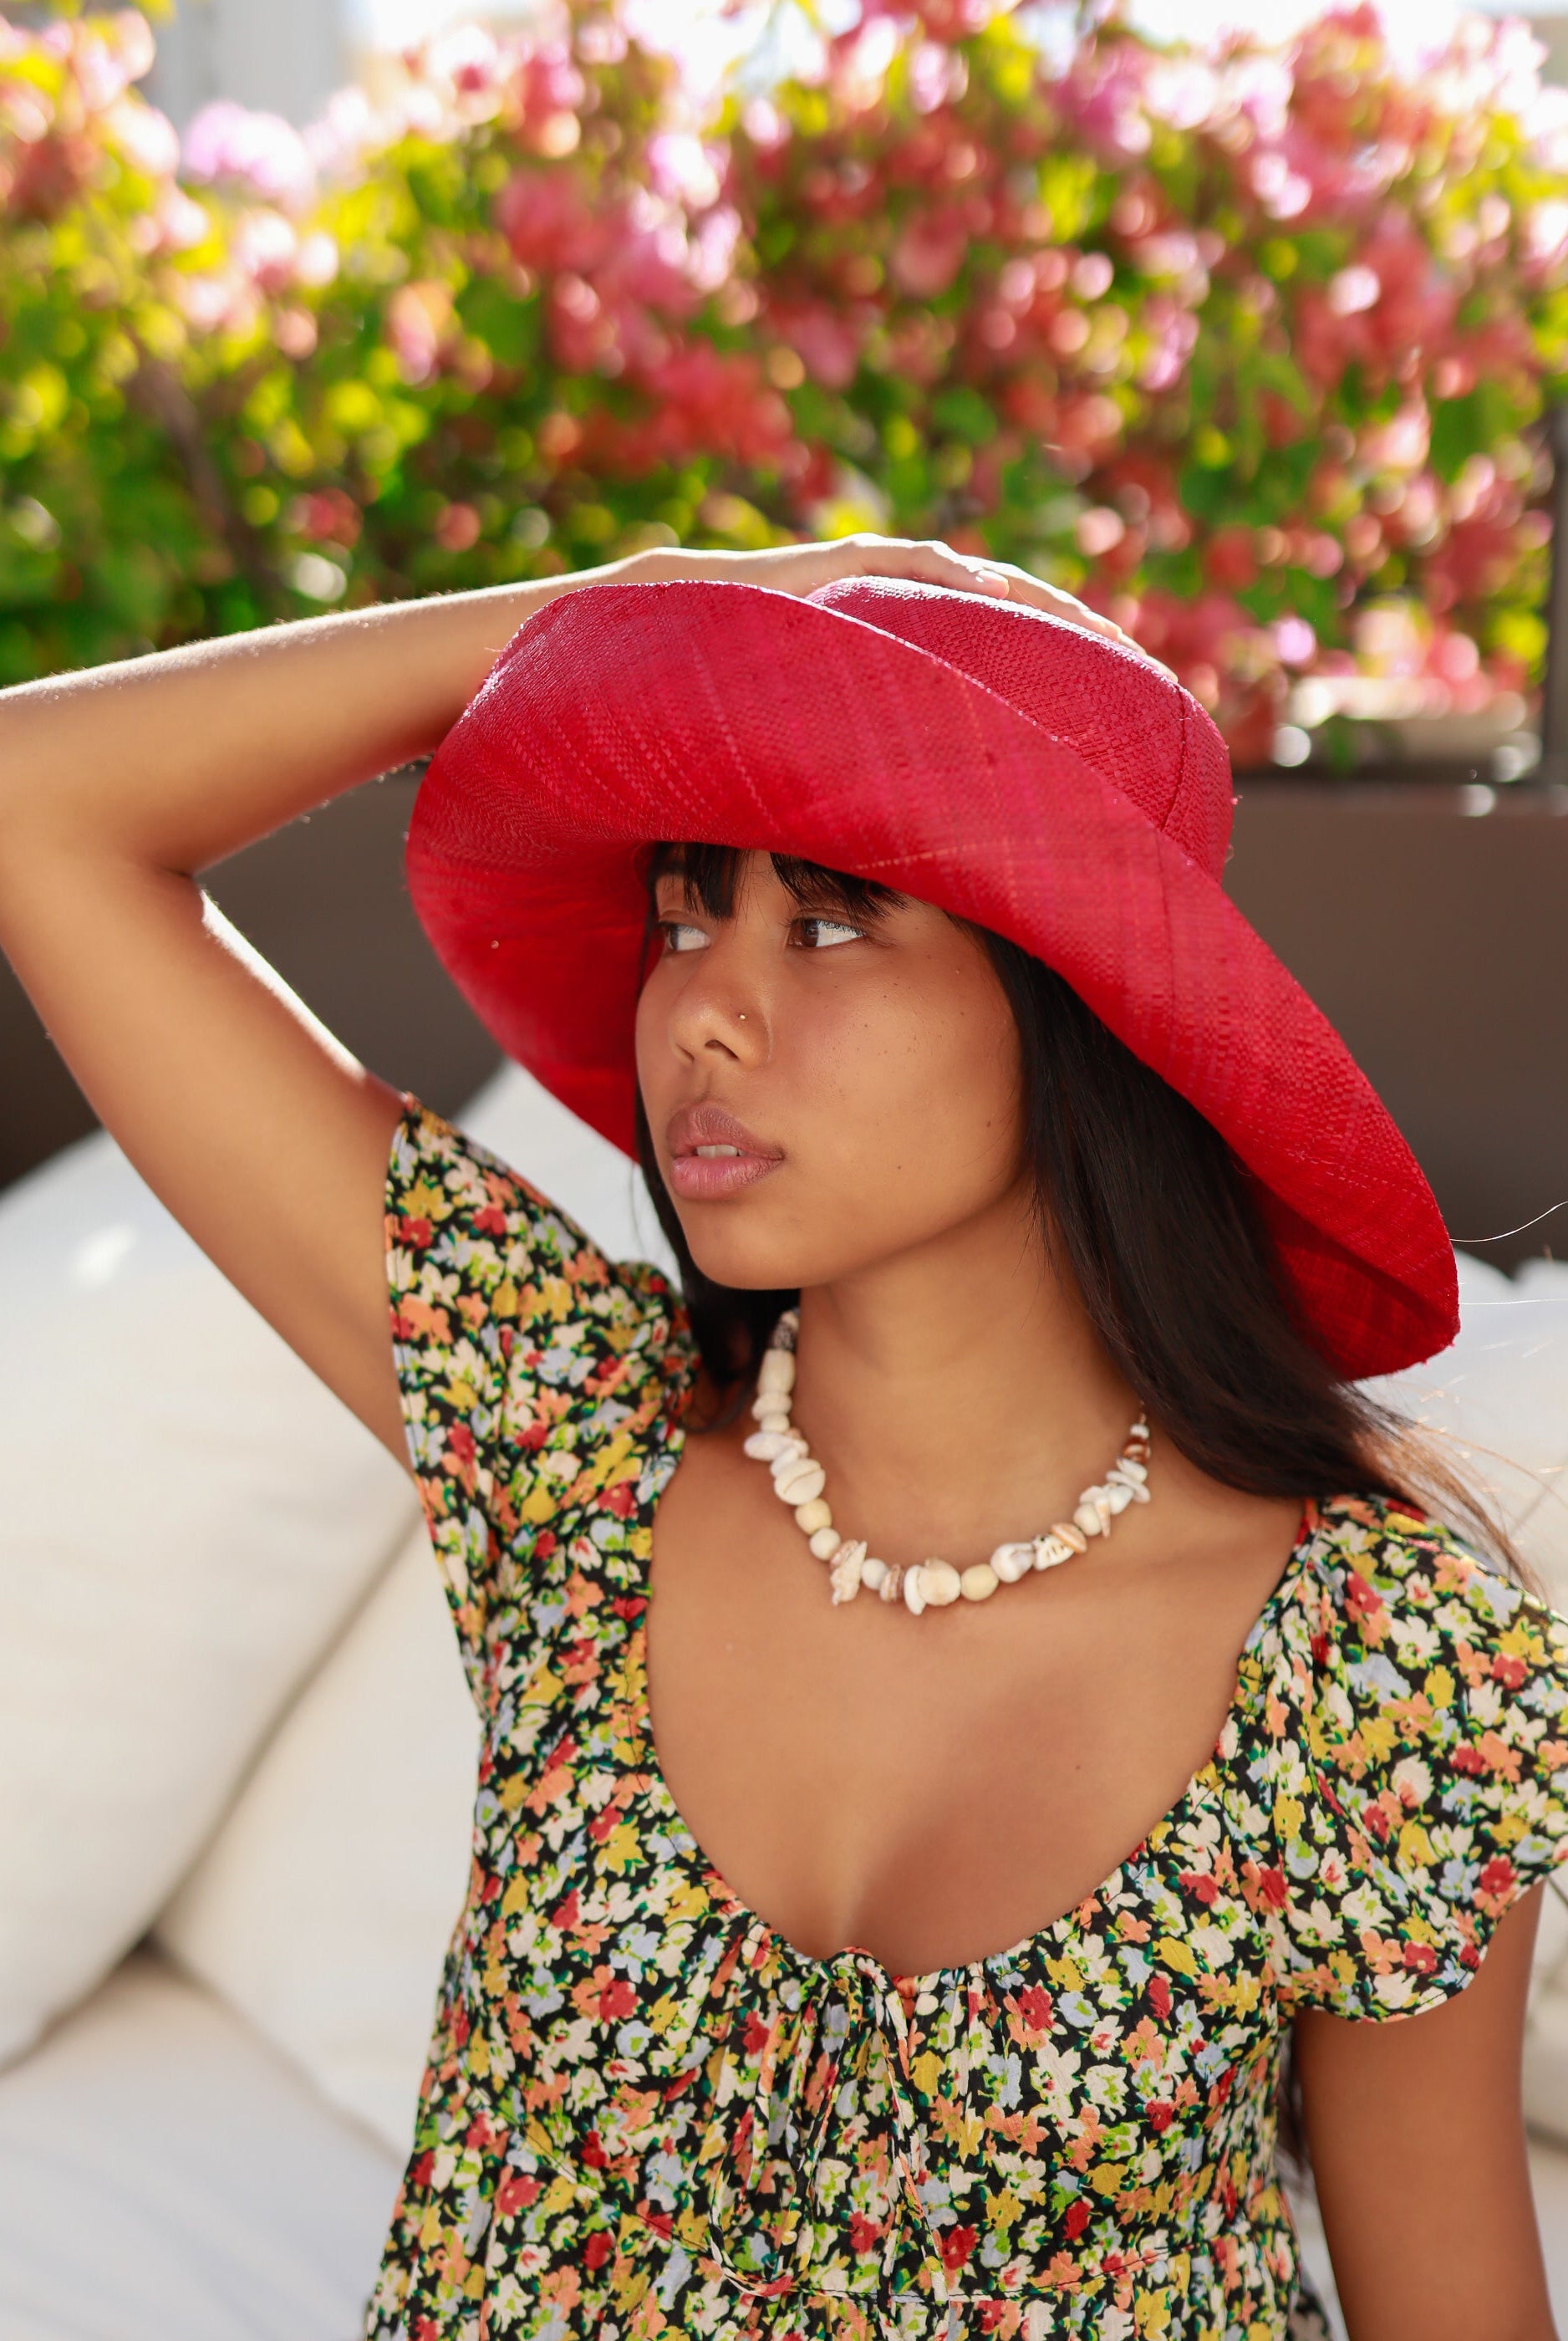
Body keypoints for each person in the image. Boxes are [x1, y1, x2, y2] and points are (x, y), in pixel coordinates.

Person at [0, 533, 1562, 2341]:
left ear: (1071, 1004)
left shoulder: (1367, 1665)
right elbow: (41, 806)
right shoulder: (575, 1443)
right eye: (683, 912)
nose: (704, 1013)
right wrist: (639, 611)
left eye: (826, 921)